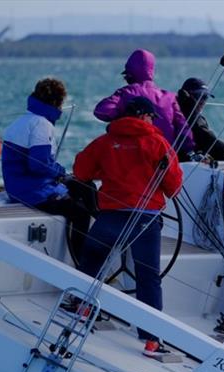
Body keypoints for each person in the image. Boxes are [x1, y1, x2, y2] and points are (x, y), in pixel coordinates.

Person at [74, 97, 183, 357]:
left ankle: (82, 309)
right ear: (143, 116)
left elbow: (81, 172)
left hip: (110, 217)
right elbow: (174, 186)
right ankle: (151, 341)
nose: (153, 121)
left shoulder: (104, 142)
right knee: (148, 278)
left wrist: (107, 172)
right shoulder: (158, 143)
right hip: (144, 220)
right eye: (151, 117)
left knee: (90, 262)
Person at [2, 77, 94, 258]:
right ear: (55, 103)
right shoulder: (42, 124)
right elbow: (38, 165)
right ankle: (84, 264)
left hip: (17, 187)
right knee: (81, 213)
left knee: (82, 187)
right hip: (33, 192)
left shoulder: (21, 121)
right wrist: (60, 172)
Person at [94, 48, 194, 152]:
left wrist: (123, 117)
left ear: (129, 74)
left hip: (133, 157)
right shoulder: (170, 97)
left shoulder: (125, 93)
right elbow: (185, 134)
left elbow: (101, 111)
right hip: (165, 159)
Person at [176, 77, 224, 161]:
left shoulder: (193, 115)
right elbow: (208, 141)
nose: (202, 101)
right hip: (192, 161)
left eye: (205, 97)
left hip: (202, 154)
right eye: (199, 96)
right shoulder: (185, 115)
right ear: (187, 96)